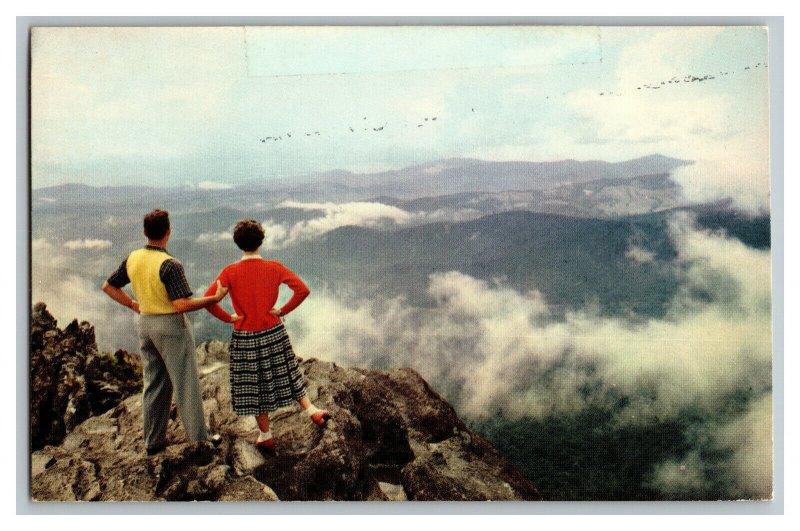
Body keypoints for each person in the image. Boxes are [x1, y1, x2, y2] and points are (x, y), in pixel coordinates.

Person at [102, 208, 228, 455]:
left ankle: (153, 441)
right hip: (171, 327)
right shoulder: (170, 265)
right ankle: (199, 441)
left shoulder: (133, 258)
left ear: (145, 232)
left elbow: (108, 286)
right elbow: (181, 304)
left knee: (153, 383)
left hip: (145, 324)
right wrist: (214, 298)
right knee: (186, 383)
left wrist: (133, 304)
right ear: (168, 232)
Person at [205, 219, 329, 453]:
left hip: (245, 335)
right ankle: (313, 411)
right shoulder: (274, 267)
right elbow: (303, 290)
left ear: (238, 244)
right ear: (261, 241)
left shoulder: (229, 272)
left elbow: (209, 301)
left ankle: (266, 435)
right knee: (287, 371)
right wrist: (282, 310)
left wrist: (228, 317)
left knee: (255, 385)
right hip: (273, 329)